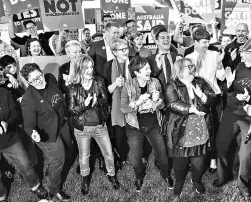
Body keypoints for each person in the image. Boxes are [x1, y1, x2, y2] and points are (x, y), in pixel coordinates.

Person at [0, 68, 48, 202]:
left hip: (10, 139)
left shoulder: (3, 92)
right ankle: (0, 196)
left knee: (26, 165)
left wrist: (7, 123)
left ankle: (35, 186)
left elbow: (15, 113)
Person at [214, 39, 251, 197]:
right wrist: (228, 82)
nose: (242, 55)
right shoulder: (240, 66)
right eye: (243, 52)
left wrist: (249, 99)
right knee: (222, 145)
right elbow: (231, 88)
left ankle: (243, 183)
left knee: (246, 154)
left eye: (246, 53)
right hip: (231, 112)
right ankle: (224, 175)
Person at [66, 55, 120, 195]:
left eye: (91, 67)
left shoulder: (99, 81)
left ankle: (112, 175)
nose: (90, 70)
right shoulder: (72, 87)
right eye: (86, 68)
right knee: (84, 156)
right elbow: (71, 110)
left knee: (108, 153)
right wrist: (84, 104)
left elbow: (106, 100)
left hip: (100, 127)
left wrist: (98, 102)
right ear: (79, 69)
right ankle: (85, 180)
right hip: (82, 128)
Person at [164, 58, 216, 197]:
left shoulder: (200, 81)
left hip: (200, 127)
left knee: (199, 161)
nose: (192, 68)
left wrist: (202, 96)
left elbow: (214, 99)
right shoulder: (172, 85)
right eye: (188, 66)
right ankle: (179, 182)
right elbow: (172, 104)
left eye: (192, 65)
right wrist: (191, 109)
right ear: (179, 69)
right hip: (181, 129)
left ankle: (196, 180)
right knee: (180, 163)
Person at [121, 56, 173, 192]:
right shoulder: (128, 85)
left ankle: (166, 175)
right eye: (145, 69)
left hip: (154, 125)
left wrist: (157, 101)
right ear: (137, 72)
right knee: (136, 157)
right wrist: (138, 102)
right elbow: (123, 108)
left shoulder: (155, 82)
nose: (149, 70)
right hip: (134, 127)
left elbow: (163, 105)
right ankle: (139, 177)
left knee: (162, 153)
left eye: (149, 68)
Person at [20, 63, 71, 202]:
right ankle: (54, 190)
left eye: (39, 76)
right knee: (58, 160)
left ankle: (50, 169)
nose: (39, 81)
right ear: (28, 82)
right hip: (46, 133)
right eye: (34, 80)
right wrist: (33, 133)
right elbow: (28, 125)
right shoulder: (28, 99)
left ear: (42, 72)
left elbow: (59, 94)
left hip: (63, 125)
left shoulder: (51, 78)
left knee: (68, 151)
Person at [185, 28, 225, 173]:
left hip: (214, 98)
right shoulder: (189, 57)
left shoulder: (215, 54)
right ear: (195, 42)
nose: (206, 45)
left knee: (214, 129)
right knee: (197, 128)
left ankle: (213, 160)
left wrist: (220, 64)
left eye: (208, 42)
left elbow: (221, 77)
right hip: (197, 100)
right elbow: (187, 78)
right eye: (203, 42)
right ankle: (197, 158)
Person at [103, 38, 131, 169]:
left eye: (127, 48)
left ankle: (138, 154)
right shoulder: (107, 66)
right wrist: (115, 84)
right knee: (119, 135)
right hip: (116, 108)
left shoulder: (133, 63)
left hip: (133, 104)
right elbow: (104, 91)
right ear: (114, 52)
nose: (126, 51)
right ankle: (122, 156)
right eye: (123, 49)